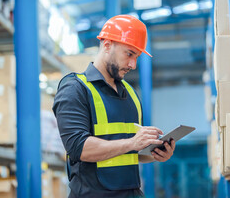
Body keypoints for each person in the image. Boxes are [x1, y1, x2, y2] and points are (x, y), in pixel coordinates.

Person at [53, 15, 176, 198]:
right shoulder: (75, 88)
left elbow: (129, 151)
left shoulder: (130, 93)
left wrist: (154, 153)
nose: (133, 65)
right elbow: (79, 148)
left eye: (137, 57)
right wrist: (132, 142)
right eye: (129, 54)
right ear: (107, 44)